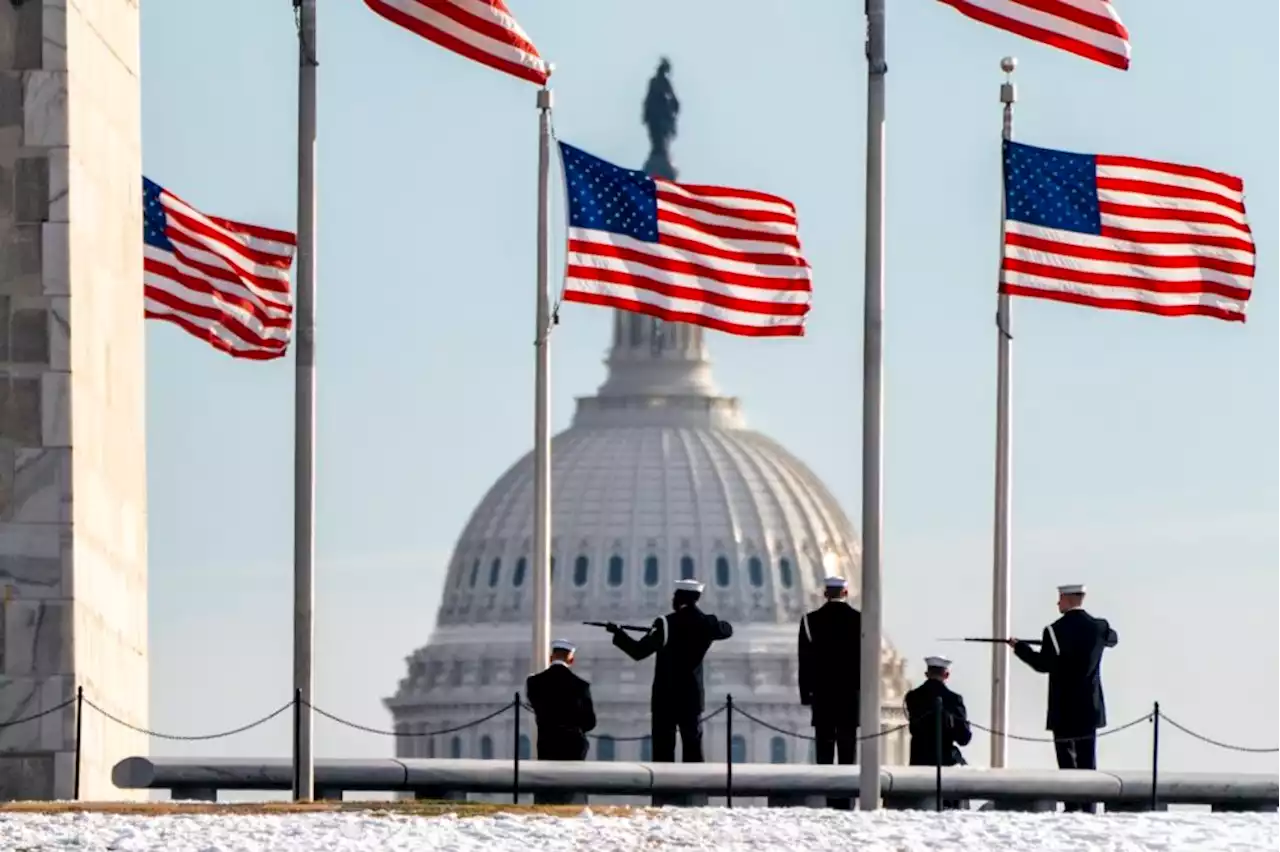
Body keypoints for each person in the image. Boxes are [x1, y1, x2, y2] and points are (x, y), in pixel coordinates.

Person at [1009, 583, 1118, 813]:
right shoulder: (1100, 626)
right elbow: (1112, 639)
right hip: (1090, 705)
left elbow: (1042, 664)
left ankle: (1072, 807)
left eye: (1059, 599)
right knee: (1088, 760)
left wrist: (1021, 648)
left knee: (1067, 762)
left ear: (1067, 599)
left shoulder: (1053, 630)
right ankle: (1089, 808)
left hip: (1064, 706)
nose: (1058, 603)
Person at [606, 578, 733, 763]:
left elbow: (638, 651)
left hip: (666, 696)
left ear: (681, 597)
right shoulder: (707, 623)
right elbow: (727, 629)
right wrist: (709, 624)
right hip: (691, 696)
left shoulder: (665, 623)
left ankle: (664, 790)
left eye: (675, 595)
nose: (673, 598)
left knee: (663, 750)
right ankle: (695, 787)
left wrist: (619, 634)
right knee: (693, 747)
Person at [798, 575, 861, 809]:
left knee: (824, 750)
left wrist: (806, 695)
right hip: (849, 697)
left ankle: (826, 798)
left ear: (825, 594)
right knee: (847, 750)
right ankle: (846, 802)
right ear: (846, 593)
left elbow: (804, 662)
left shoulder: (810, 621)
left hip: (822, 697)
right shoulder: (860, 620)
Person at [525, 639, 597, 804]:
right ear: (571, 660)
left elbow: (533, 703)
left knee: (547, 787)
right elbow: (590, 722)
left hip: (547, 741)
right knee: (572, 789)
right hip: (573, 744)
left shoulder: (534, 682)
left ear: (551, 658)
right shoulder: (581, 686)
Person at [904, 655, 972, 809]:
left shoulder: (912, 697)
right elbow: (964, 738)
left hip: (918, 761)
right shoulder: (954, 699)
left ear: (926, 674)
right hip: (944, 762)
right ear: (946, 675)